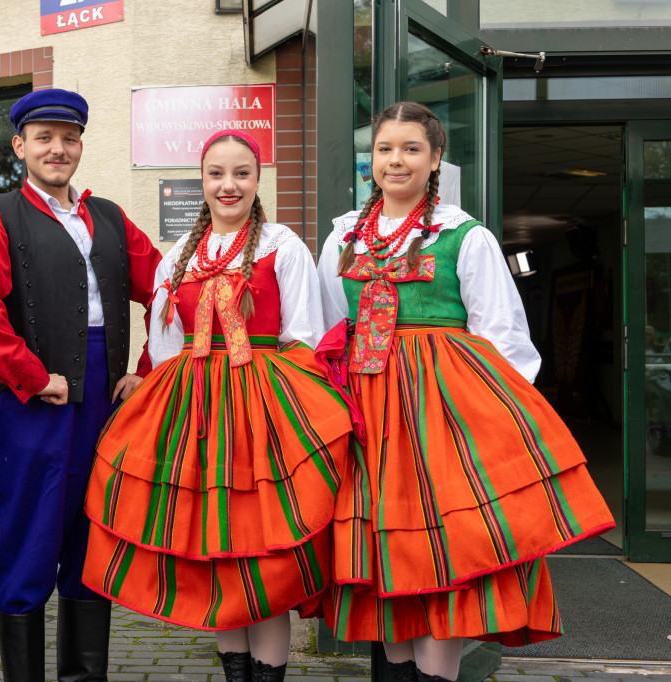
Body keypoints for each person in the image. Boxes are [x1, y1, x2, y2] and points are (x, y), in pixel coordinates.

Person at [316, 101, 616, 682]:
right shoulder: (343, 238)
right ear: (370, 159)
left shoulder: (465, 237)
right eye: (384, 149)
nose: (395, 160)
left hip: (442, 416)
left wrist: (492, 427)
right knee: (385, 549)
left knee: (445, 548)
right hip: (367, 418)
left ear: (434, 160)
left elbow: (503, 339)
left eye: (410, 149)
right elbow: (334, 326)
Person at [81, 130, 356, 682]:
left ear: (258, 180)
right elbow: (164, 345)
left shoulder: (283, 246)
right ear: (201, 181)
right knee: (215, 558)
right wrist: (145, 382)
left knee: (263, 556)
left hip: (263, 414)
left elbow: (305, 336)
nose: (228, 185)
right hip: (195, 417)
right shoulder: (178, 258)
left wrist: (296, 417)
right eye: (215, 174)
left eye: (241, 174)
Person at [0, 88, 162, 682]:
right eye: (43, 138)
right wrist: (30, 373)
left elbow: (169, 292)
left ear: (81, 145)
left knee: (95, 538)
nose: (57, 149)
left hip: (105, 399)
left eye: (68, 138)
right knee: (29, 539)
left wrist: (146, 370)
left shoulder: (112, 216)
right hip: (37, 402)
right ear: (21, 146)